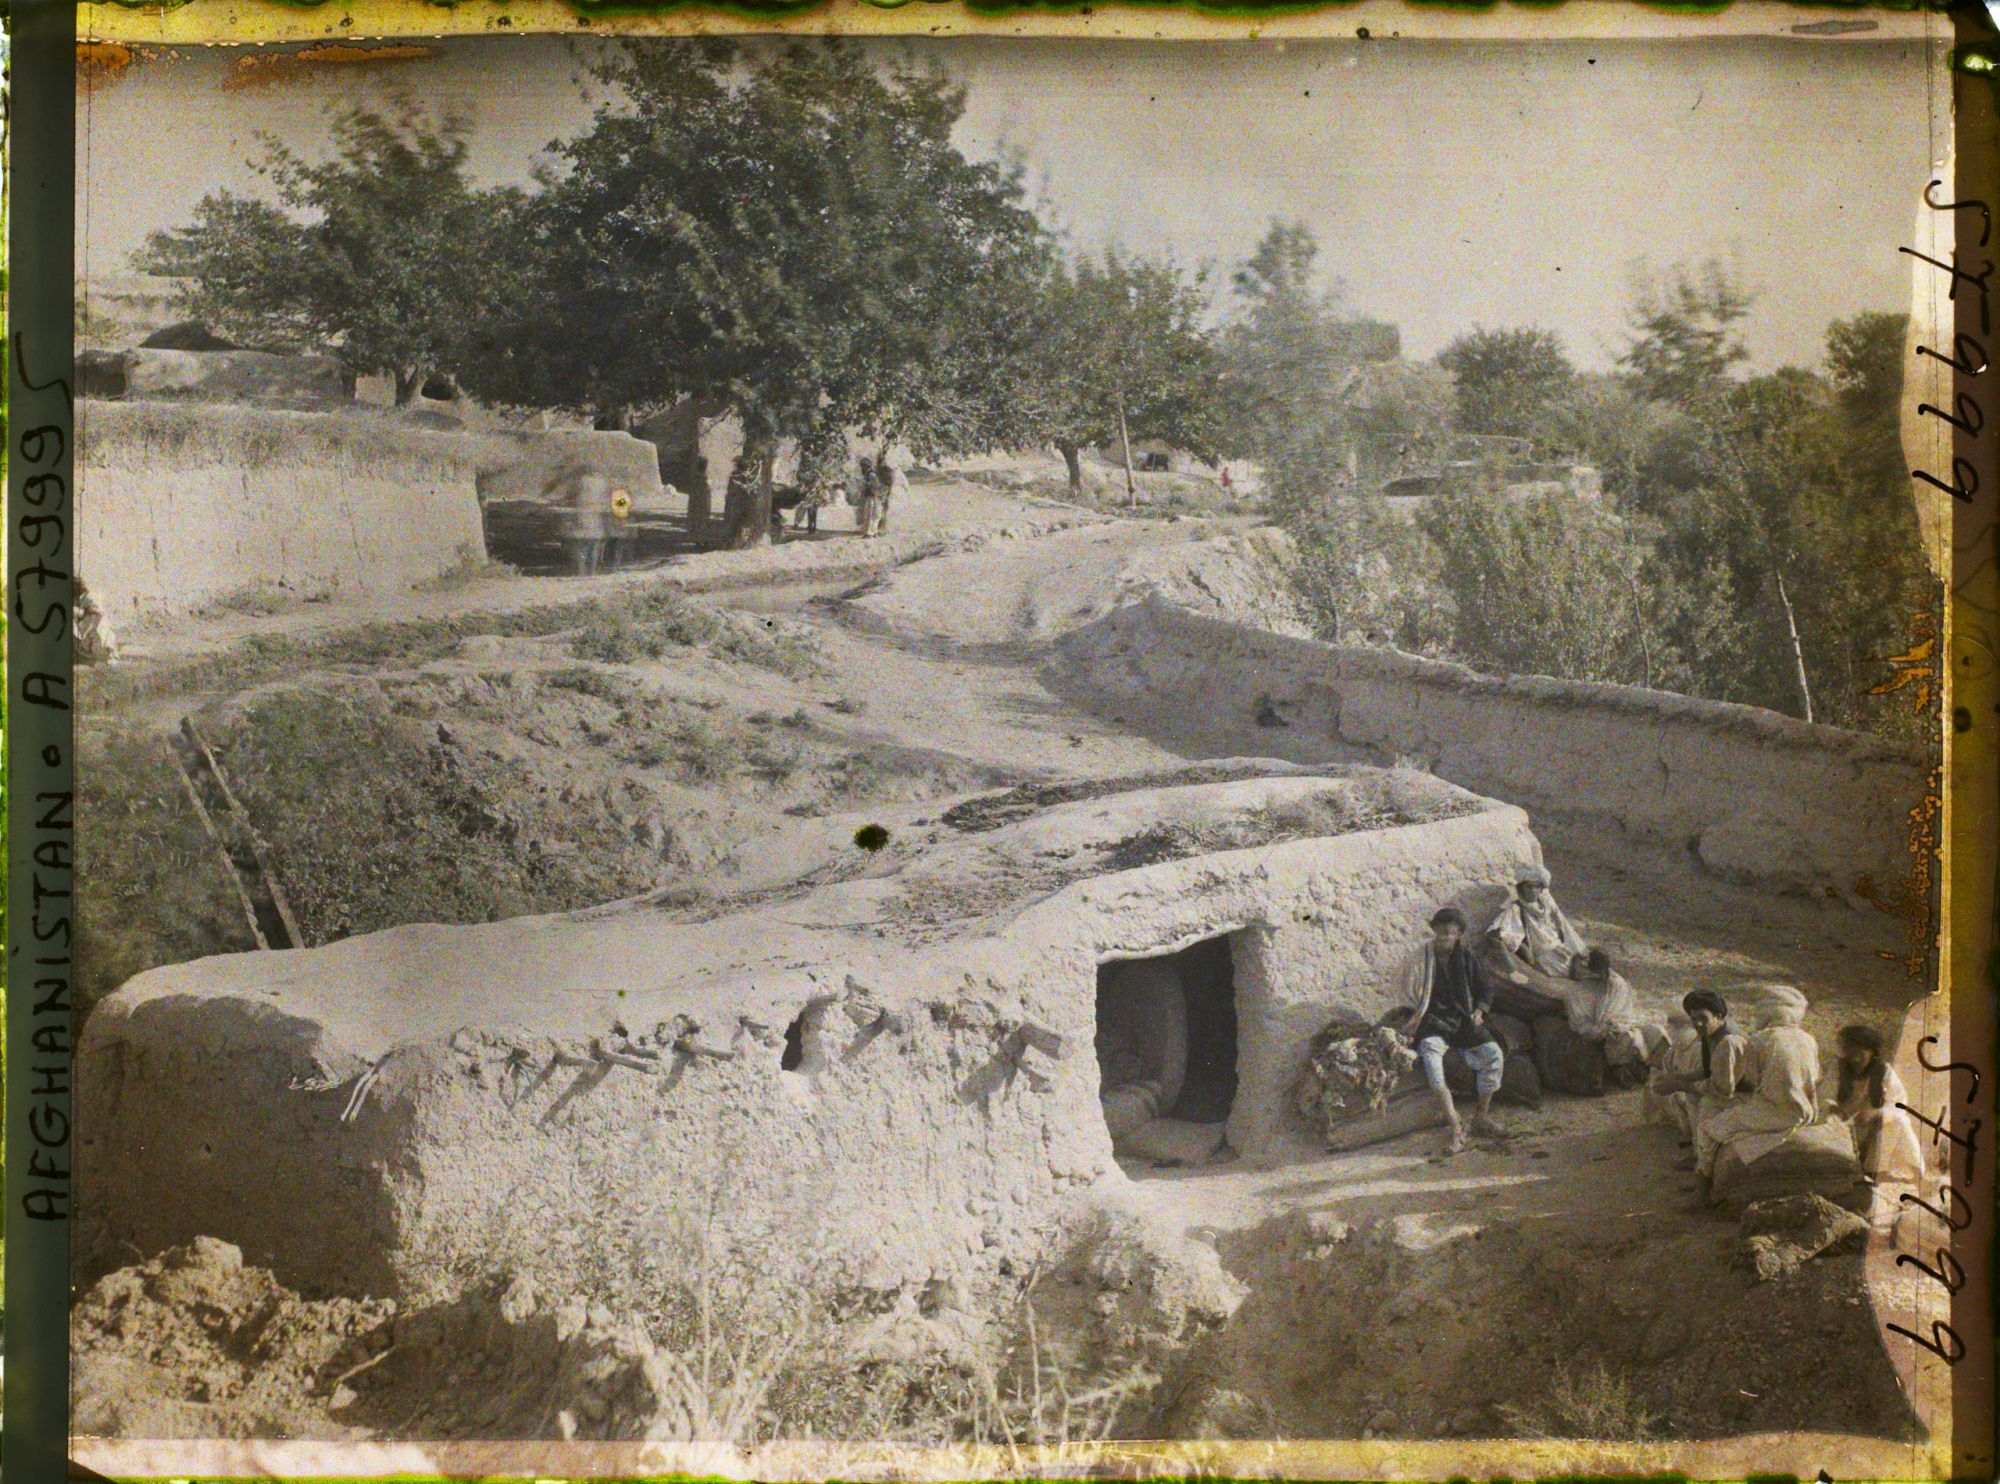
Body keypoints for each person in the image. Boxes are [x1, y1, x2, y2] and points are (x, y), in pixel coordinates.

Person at [1388, 906, 1505, 1155]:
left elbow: (1486, 990)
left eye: (1449, 934)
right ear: (1433, 931)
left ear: (1459, 934)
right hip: (1432, 1020)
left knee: (1494, 1054)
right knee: (1431, 1057)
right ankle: (1455, 1124)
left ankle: (1481, 1117)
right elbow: (1407, 994)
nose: (1443, 939)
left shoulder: (1467, 957)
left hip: (1462, 1019)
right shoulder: (1421, 958)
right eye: (1439, 933)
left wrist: (1480, 1011)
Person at [1690, 987, 1819, 1203]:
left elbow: (1751, 1080)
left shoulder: (1761, 1039)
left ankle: (1702, 1193)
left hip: (1775, 1112)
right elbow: (1814, 1079)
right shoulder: (1809, 1039)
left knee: (1708, 1130)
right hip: (1806, 1111)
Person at [1649, 989, 1750, 1174]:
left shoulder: (1728, 1041)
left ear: (1719, 1016)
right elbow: (1707, 1071)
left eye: (1703, 1018)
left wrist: (1680, 1085)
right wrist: (1678, 1078)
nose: (1698, 1024)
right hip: (1729, 1090)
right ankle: (1699, 1157)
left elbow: (1722, 1089)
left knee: (1704, 1106)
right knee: (1690, 1098)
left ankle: (1703, 1176)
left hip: (1743, 1096)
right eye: (1694, 1019)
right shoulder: (1710, 1033)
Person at [1820, 1024, 1925, 1185]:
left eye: (1860, 1052)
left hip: (1869, 1127)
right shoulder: (1837, 1068)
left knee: (1901, 1121)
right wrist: (1835, 1109)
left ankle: (1915, 1173)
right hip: (1842, 1125)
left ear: (1871, 1052)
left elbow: (1898, 1103)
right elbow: (1824, 1096)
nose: (1855, 1058)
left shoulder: (1883, 1070)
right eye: (1850, 1050)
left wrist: (1876, 1112)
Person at [560, 470, 612, 575]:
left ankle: (581, 571)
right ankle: (592, 571)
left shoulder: (579, 483)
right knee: (594, 545)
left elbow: (569, 498)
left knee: (581, 546)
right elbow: (606, 501)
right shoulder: (601, 483)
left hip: (582, 515)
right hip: (595, 517)